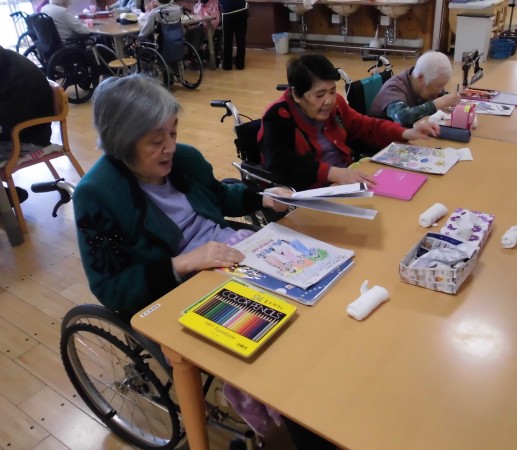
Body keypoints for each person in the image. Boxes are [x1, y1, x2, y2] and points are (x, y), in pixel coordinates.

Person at [74, 73, 335, 450]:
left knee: (312, 306)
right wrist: (182, 263)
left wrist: (262, 198)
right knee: (271, 354)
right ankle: (297, 426)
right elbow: (111, 287)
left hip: (231, 256)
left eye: (173, 133)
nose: (169, 147)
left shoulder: (184, 159)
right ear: (122, 142)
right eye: (156, 141)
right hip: (179, 287)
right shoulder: (97, 195)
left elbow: (217, 195)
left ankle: (317, 404)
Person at [258, 54, 439, 191]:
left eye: (332, 91)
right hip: (314, 191)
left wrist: (405, 132)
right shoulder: (277, 116)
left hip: (348, 177)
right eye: (320, 95)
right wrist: (334, 174)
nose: (329, 100)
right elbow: (282, 164)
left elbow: (365, 125)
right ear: (296, 94)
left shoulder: (336, 103)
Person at [0, 46, 55, 204]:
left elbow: (9, 122)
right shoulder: (6, 62)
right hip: (16, 129)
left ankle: (4, 200)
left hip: (28, 138)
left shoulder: (19, 77)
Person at [369, 51, 461, 128]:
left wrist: (450, 99)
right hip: (384, 141)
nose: (441, 91)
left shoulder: (418, 80)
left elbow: (440, 95)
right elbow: (403, 117)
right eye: (438, 86)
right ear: (420, 77)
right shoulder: (393, 88)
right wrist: (440, 102)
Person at [220, 0, 248, 70]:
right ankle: (240, 65)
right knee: (241, 39)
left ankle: (227, 65)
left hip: (228, 11)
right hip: (242, 10)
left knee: (227, 40)